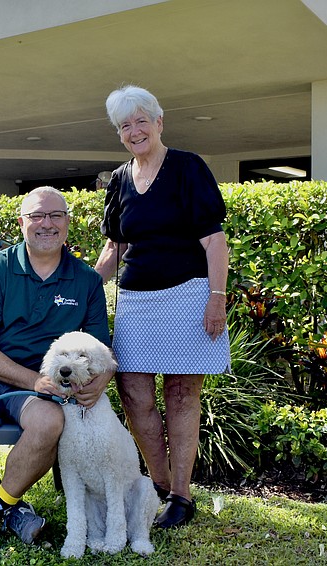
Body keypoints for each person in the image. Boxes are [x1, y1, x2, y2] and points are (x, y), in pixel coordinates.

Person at [0, 186, 112, 547]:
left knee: (49, 423)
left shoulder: (86, 280)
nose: (47, 224)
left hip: (43, 385)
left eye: (56, 216)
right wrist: (33, 379)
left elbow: (101, 350)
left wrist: (100, 380)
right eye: (37, 216)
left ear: (67, 223)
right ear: (21, 223)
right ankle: (8, 506)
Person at [93, 85, 230, 529]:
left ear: (158, 122)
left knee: (181, 392)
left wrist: (216, 298)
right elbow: (116, 247)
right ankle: (159, 483)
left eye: (140, 121)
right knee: (133, 393)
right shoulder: (119, 179)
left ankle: (182, 496)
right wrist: (88, 286)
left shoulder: (188, 167)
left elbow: (214, 240)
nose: (134, 131)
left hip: (188, 295)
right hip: (135, 301)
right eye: (124, 126)